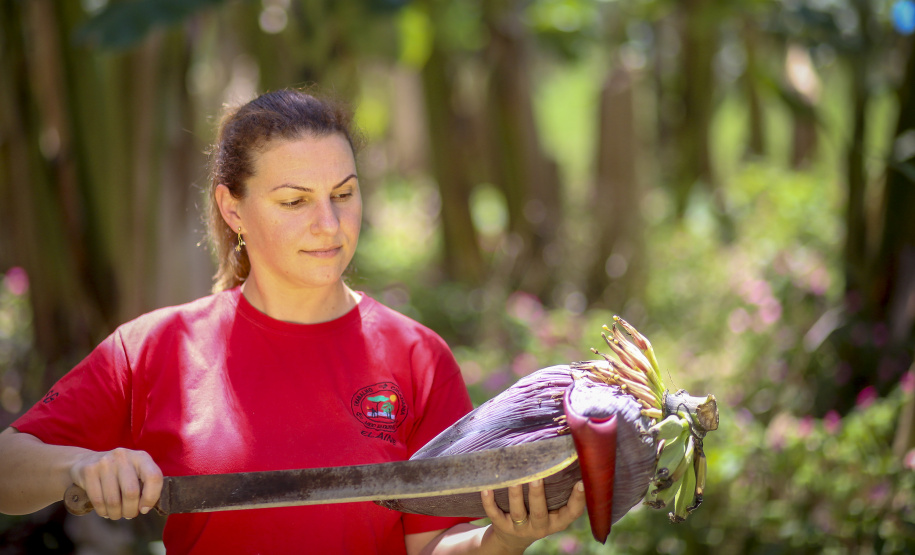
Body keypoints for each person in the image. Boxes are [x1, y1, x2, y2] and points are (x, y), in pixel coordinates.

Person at [0, 88, 585, 554]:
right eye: (294, 200)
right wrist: (82, 463)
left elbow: (430, 545)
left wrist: (505, 540)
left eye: (344, 193)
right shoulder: (158, 348)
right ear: (233, 209)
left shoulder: (417, 356)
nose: (329, 224)